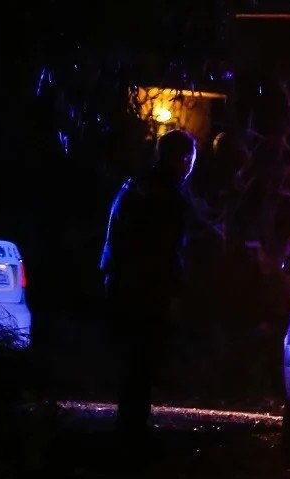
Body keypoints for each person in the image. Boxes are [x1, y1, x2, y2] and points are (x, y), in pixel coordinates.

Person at [100, 129, 197, 441]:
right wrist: (173, 290)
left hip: (124, 283)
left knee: (135, 358)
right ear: (183, 159)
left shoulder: (135, 187)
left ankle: (130, 422)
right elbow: (168, 250)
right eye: (190, 160)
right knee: (143, 358)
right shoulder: (165, 197)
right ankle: (132, 427)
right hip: (147, 289)